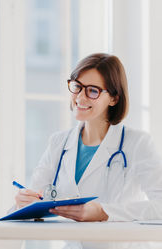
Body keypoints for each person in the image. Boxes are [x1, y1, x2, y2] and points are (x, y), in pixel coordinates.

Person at [15, 53, 162, 223]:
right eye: (77, 86)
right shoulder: (58, 143)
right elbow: (35, 201)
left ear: (114, 98)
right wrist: (25, 202)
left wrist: (104, 212)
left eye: (93, 90)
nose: (80, 97)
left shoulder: (137, 143)